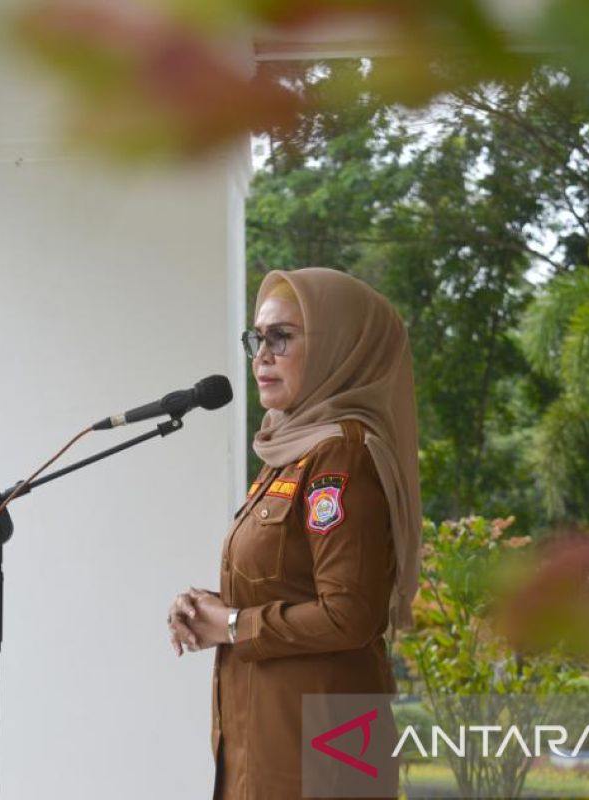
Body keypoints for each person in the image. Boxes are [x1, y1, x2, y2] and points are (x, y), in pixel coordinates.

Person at [166, 268, 422, 799]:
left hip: (322, 755)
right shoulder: (290, 453)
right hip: (266, 742)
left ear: (339, 346)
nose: (261, 356)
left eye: (281, 337)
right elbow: (287, 586)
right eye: (256, 339)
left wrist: (233, 624)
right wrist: (207, 610)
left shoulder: (342, 454)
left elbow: (349, 614)